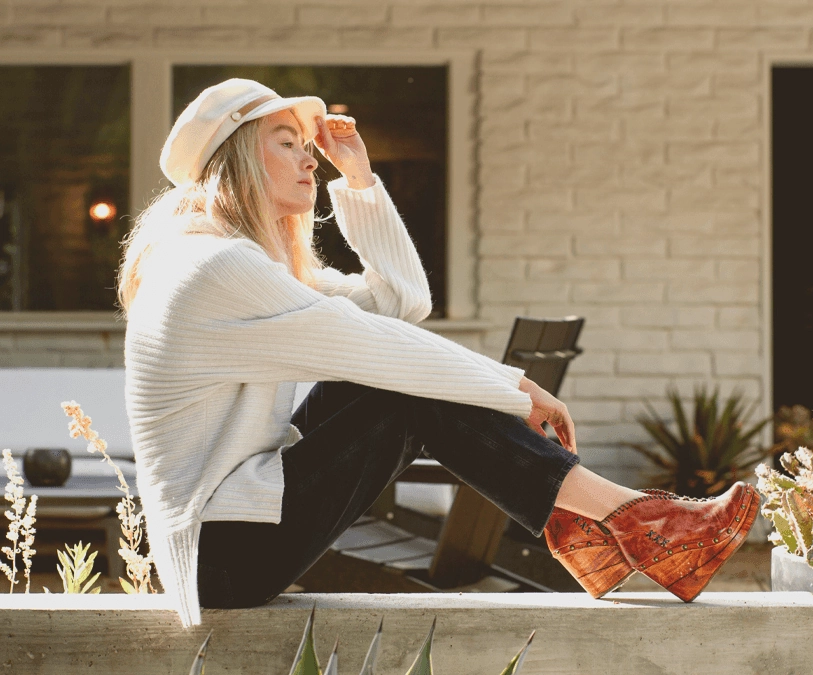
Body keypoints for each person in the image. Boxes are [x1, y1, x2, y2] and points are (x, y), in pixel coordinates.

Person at [118, 79, 759, 628]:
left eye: (304, 144)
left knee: (394, 381)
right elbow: (377, 343)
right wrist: (517, 387)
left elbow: (399, 300)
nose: (309, 158)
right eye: (285, 144)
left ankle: (604, 528)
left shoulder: (233, 258)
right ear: (235, 163)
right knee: (404, 393)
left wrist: (361, 181)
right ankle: (631, 521)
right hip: (222, 555)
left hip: (239, 526)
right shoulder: (216, 266)